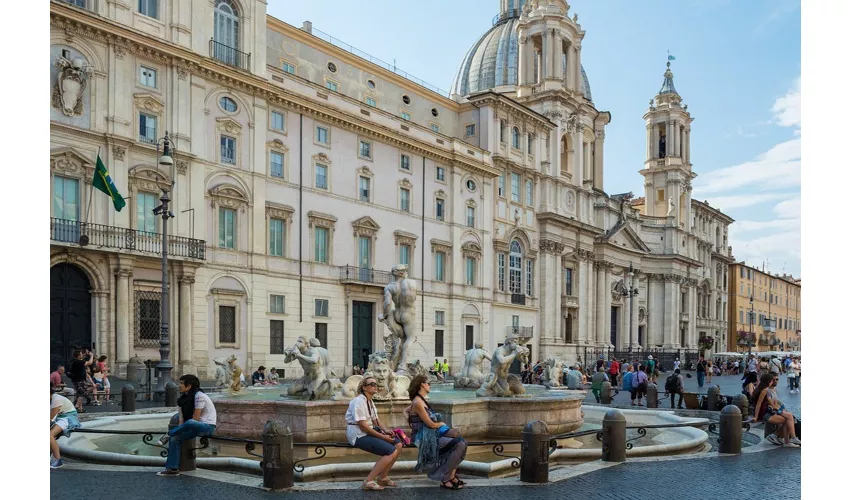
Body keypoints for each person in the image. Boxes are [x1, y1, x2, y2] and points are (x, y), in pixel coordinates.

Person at [406, 375, 467, 490]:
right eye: (428, 383)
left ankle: (451, 476)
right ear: (422, 385)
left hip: (431, 434)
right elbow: (431, 424)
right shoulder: (418, 402)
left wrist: (409, 419)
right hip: (424, 438)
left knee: (461, 441)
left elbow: (406, 411)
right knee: (459, 444)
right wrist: (442, 424)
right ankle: (444, 478)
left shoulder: (420, 400)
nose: (430, 385)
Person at [345, 376, 402, 490]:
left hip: (368, 431)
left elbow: (376, 420)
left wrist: (386, 431)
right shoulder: (358, 401)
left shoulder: (369, 401)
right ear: (364, 387)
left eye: (375, 384)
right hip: (358, 435)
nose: (374, 386)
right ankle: (369, 480)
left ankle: (383, 477)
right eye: (371, 384)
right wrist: (383, 437)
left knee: (398, 444)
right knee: (390, 451)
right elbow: (363, 426)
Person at [156, 375, 217, 476]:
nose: (178, 385)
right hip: (193, 427)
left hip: (207, 427)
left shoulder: (199, 396)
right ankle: (172, 468)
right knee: (175, 438)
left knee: (190, 422)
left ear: (189, 386)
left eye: (181, 383)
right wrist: (178, 432)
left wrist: (175, 431)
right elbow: (181, 420)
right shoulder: (182, 400)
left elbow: (196, 419)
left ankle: (168, 434)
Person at [753, 373, 800, 447]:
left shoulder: (768, 390)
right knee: (788, 418)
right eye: (772, 380)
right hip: (765, 413)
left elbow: (772, 403)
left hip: (769, 411)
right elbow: (758, 404)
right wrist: (756, 417)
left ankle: (785, 440)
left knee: (788, 418)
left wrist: (781, 410)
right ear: (768, 381)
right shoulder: (765, 390)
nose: (774, 382)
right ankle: (791, 438)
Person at [50, 385, 81, 469]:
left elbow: (51, 416)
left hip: (67, 418)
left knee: (50, 436)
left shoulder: (56, 399)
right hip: (60, 418)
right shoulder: (52, 398)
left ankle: (58, 460)